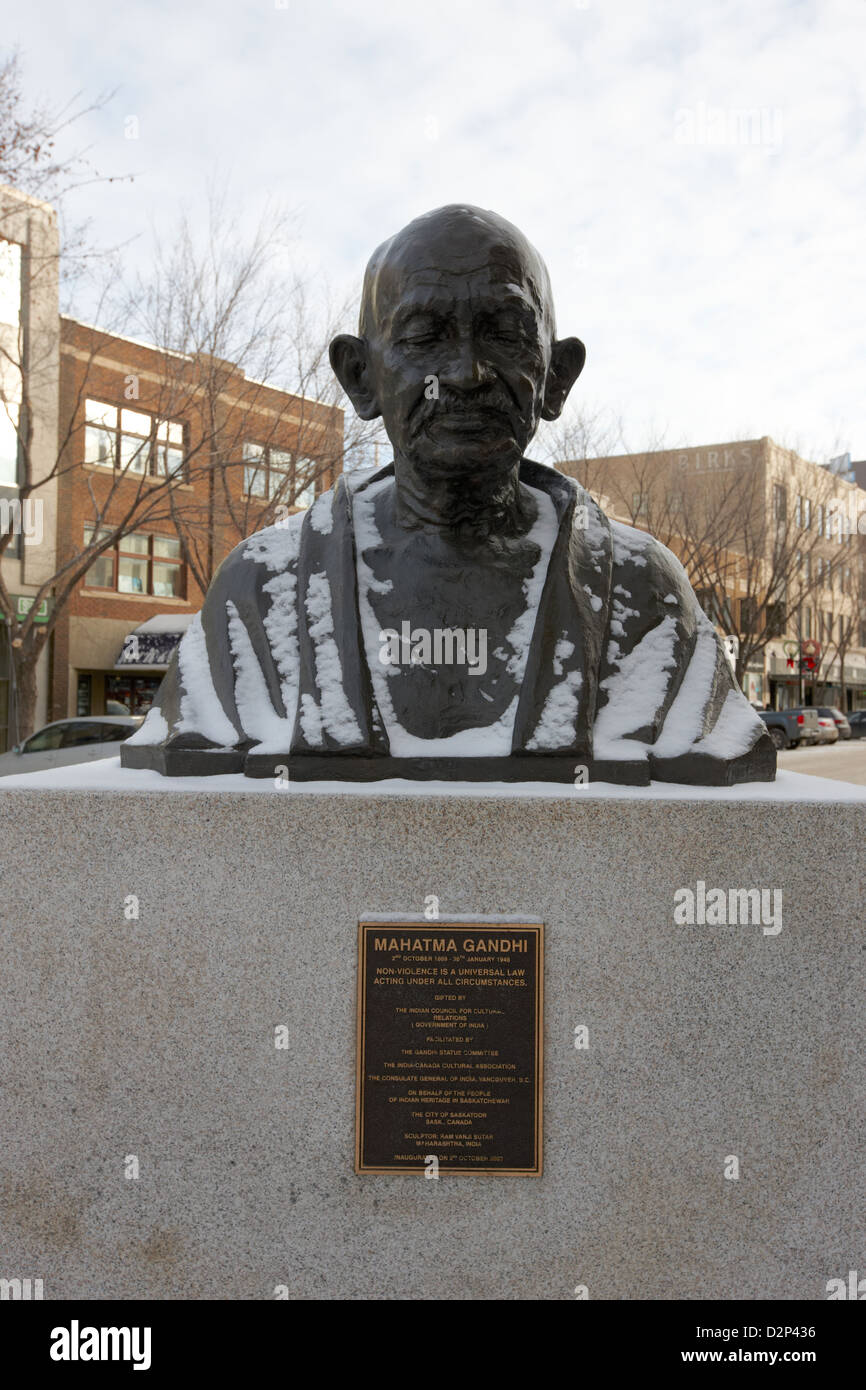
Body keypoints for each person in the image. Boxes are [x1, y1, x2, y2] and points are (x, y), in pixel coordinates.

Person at [123, 205, 774, 785]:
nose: (465, 373)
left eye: (505, 334)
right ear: (361, 376)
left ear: (557, 377)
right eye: (423, 337)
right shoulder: (257, 595)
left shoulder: (644, 596)